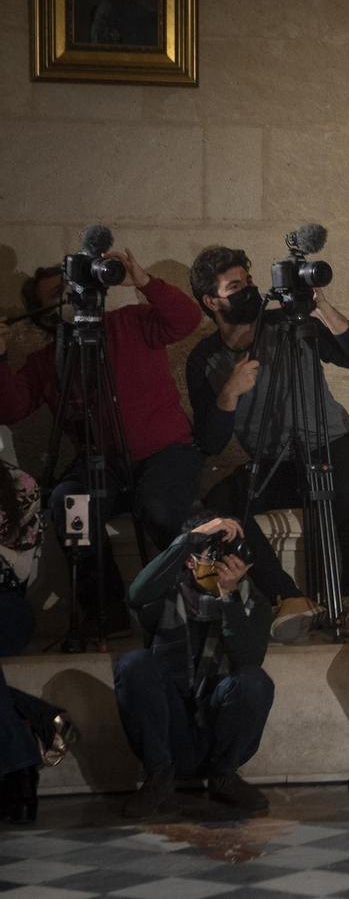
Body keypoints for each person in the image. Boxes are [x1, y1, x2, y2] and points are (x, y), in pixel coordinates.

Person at [0, 252, 202, 635]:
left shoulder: (130, 323)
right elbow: (10, 408)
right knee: (68, 504)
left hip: (166, 454)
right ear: (43, 313)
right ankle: (106, 611)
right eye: (57, 293)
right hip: (100, 466)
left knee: (158, 509)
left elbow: (187, 319)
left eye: (71, 286)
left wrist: (143, 282)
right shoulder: (48, 359)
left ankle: (199, 597)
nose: (71, 294)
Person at [186, 246, 349, 635]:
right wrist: (229, 395)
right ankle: (287, 596)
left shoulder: (290, 325)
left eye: (250, 282)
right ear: (212, 301)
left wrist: (321, 306)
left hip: (333, 446)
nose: (249, 291)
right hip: (278, 464)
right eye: (235, 286)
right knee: (221, 504)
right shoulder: (204, 358)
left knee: (344, 484)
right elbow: (210, 442)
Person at [116, 514, 275, 818]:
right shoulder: (165, 594)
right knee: (135, 663)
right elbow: (137, 593)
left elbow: (248, 661)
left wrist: (228, 596)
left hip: (217, 733)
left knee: (255, 680)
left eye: (228, 556)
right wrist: (192, 537)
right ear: (190, 562)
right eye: (213, 555)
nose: (223, 564)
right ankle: (158, 781)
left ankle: (224, 778)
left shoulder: (251, 601)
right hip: (168, 731)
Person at [0, 460, 42, 824]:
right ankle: (22, 767)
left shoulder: (18, 483)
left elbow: (23, 569)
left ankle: (17, 765)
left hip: (6, 604)